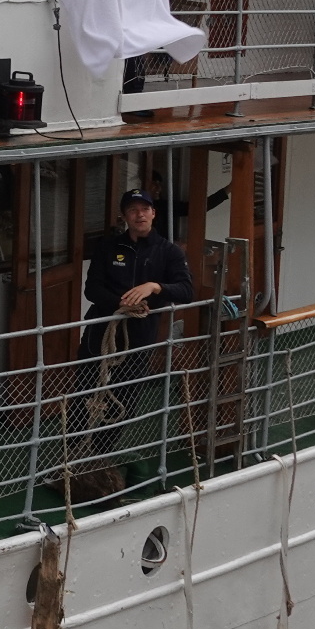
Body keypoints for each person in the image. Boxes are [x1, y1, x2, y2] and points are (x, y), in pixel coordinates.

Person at [68, 189, 196, 486]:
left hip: (140, 334)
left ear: (153, 213)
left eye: (145, 209)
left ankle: (100, 453)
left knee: (125, 395)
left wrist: (154, 287)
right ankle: (72, 449)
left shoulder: (169, 252)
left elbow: (186, 291)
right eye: (133, 210)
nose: (140, 215)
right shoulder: (108, 247)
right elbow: (92, 289)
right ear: (124, 216)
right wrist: (121, 303)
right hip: (102, 329)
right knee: (85, 387)